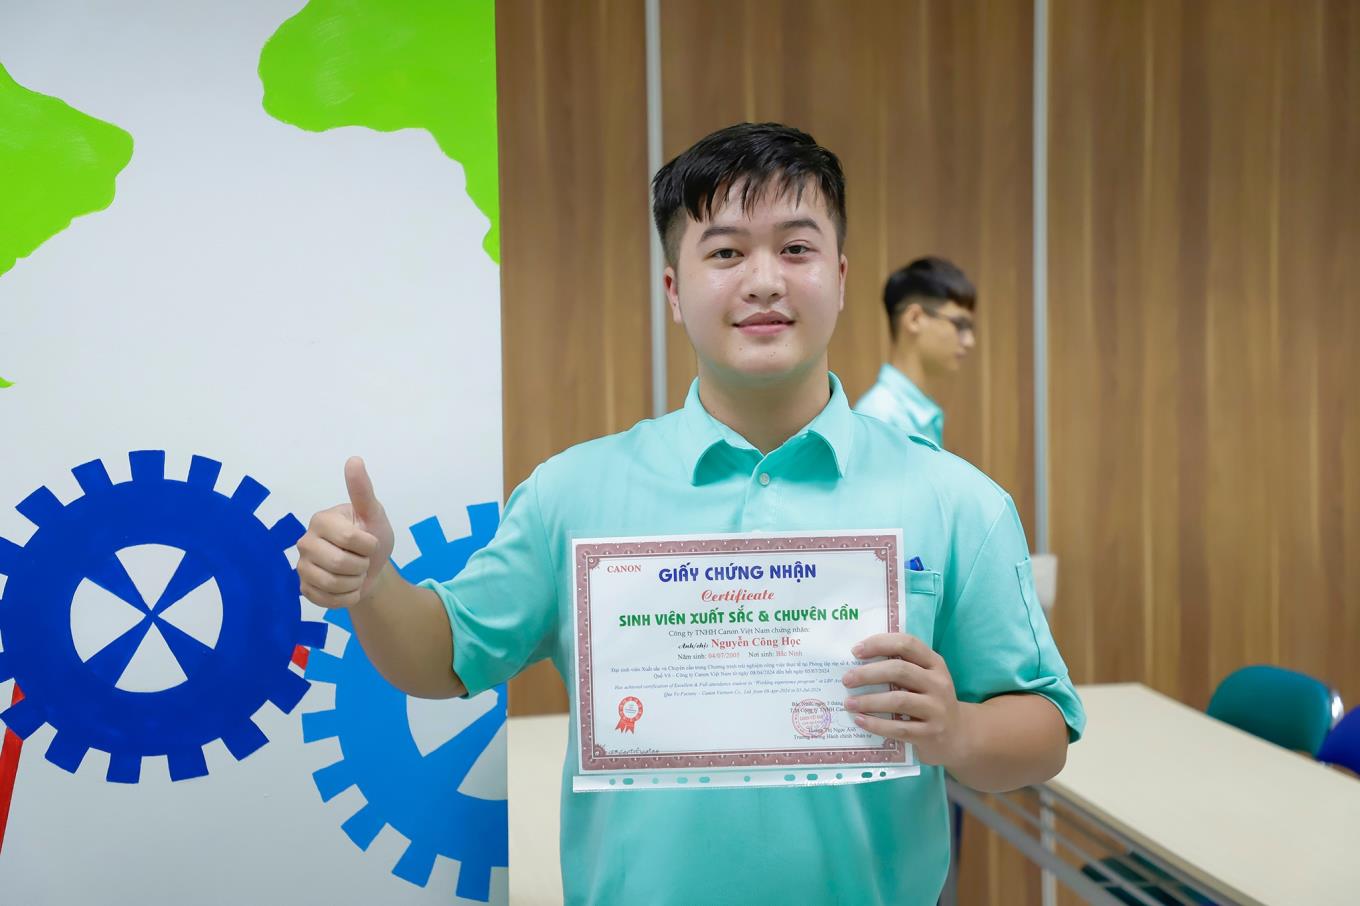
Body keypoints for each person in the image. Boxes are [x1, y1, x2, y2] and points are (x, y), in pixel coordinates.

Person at [296, 122, 1083, 906]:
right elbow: (442, 658)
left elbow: (1044, 730)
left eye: (797, 249)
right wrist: (374, 585)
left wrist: (958, 732)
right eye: (727, 252)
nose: (765, 281)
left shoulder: (955, 500)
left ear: (841, 278)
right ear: (674, 290)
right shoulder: (574, 492)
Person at [855, 256, 977, 446]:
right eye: (960, 325)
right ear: (914, 319)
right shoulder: (878, 416)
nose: (970, 341)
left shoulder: (918, 413)